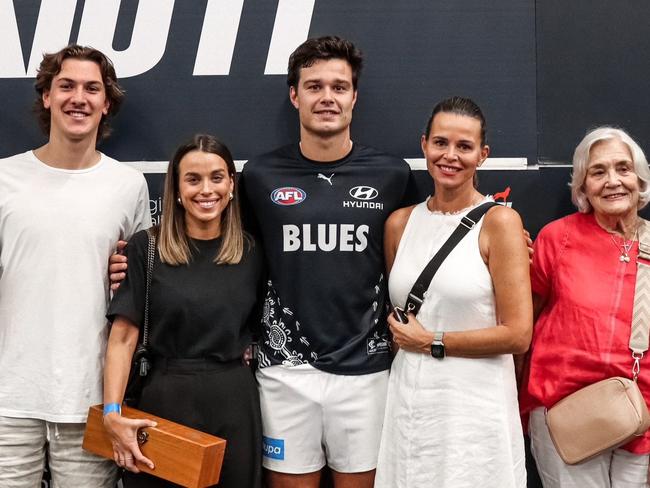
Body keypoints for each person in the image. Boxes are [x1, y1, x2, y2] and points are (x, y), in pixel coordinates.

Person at [240, 36, 412, 488]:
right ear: (294, 95)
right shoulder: (259, 176)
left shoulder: (392, 175)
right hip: (284, 369)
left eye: (339, 86)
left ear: (354, 96)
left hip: (367, 370)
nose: (327, 98)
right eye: (314, 86)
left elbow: (428, 244)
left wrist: (500, 239)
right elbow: (226, 255)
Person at [0, 45, 151, 487]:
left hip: (93, 400)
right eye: (66, 86)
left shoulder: (128, 185)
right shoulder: (4, 179)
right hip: (9, 399)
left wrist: (128, 276)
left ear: (107, 103)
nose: (78, 98)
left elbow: (142, 286)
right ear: (46, 96)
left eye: (92, 88)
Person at [375, 96, 533, 488]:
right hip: (410, 406)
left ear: (483, 155)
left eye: (464, 146)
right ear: (424, 144)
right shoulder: (399, 223)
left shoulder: (501, 223)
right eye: (441, 143)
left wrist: (432, 341)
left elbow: (518, 334)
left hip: (475, 414)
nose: (450, 156)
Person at [103, 134, 264, 488]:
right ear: (176, 188)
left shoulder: (252, 251)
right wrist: (111, 412)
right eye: (193, 179)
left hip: (234, 403)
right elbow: (123, 339)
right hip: (163, 402)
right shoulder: (147, 247)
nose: (206, 190)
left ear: (232, 185)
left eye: (217, 177)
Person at [519, 127, 650, 487]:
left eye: (623, 169)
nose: (613, 181)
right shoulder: (557, 238)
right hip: (565, 410)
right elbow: (522, 325)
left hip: (642, 419)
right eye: (598, 172)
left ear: (639, 179)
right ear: (582, 186)